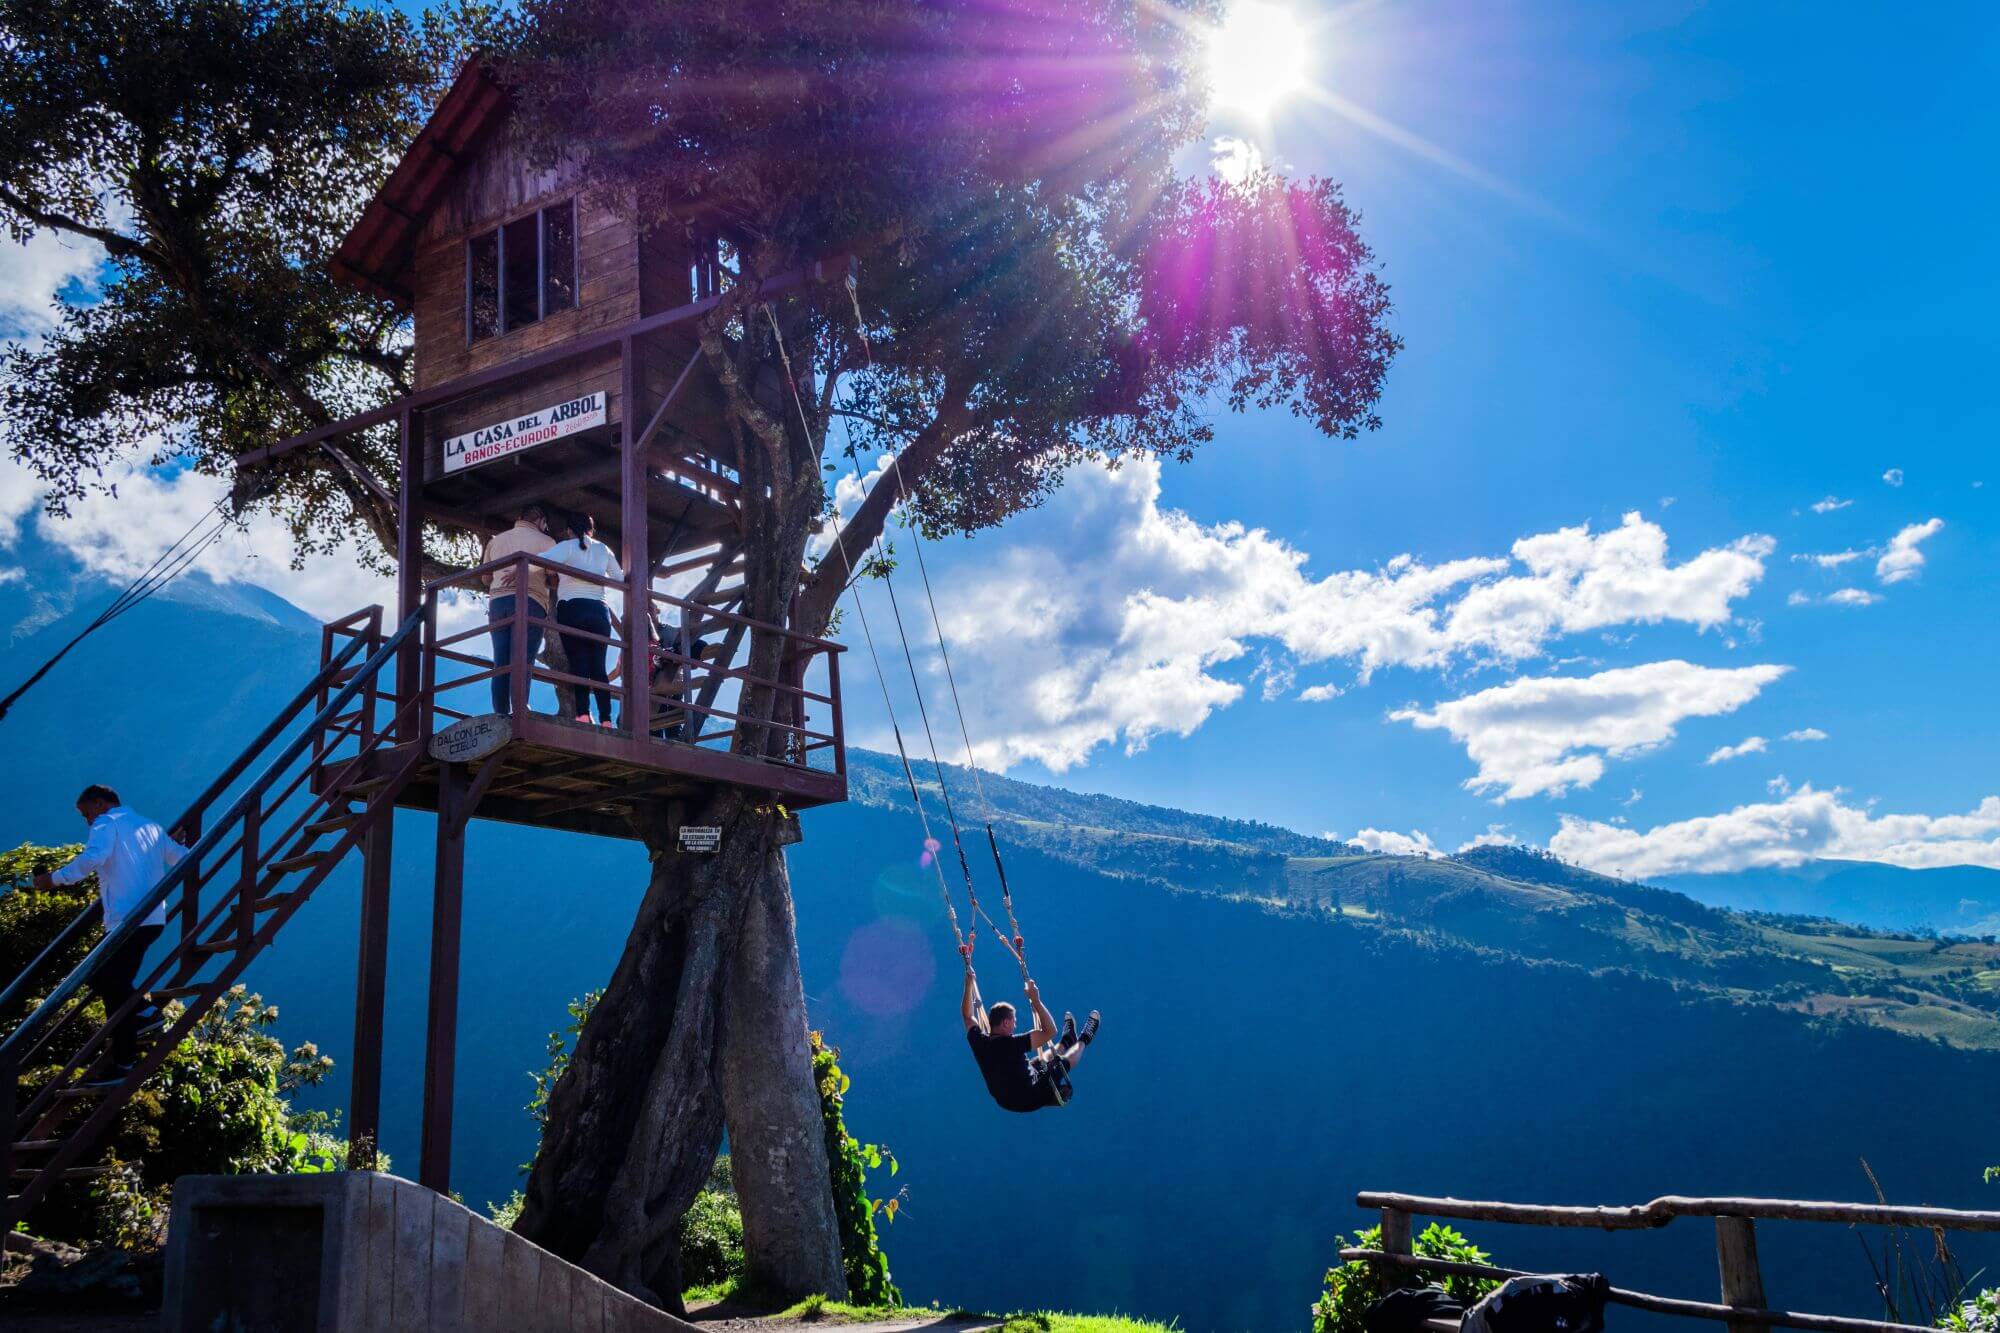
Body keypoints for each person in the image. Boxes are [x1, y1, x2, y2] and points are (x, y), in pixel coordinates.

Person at [31, 785, 186, 1081]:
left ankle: (128, 1054)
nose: (87, 821)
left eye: (86, 813)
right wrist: (168, 843)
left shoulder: (106, 822)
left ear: (100, 804)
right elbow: (182, 857)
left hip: (126, 920)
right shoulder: (150, 826)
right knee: (110, 981)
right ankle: (140, 1021)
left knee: (107, 982)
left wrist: (54, 879)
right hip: (152, 918)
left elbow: (93, 857)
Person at [962, 967, 1098, 1112]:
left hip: (1006, 1098)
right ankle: (1084, 1038)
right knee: (1062, 1065)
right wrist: (1036, 1000)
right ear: (1005, 1023)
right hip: (1029, 1097)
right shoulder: (1011, 1045)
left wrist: (969, 984)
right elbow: (1050, 1031)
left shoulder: (980, 1041)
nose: (1015, 1025)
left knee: (1040, 1061)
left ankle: (1067, 1040)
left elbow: (968, 1016)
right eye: (1013, 1021)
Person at [542, 510, 624, 726]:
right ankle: (606, 718)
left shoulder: (566, 547)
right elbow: (620, 577)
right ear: (591, 529)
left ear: (569, 530)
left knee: (578, 664)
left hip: (572, 608)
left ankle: (583, 715)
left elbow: (536, 561)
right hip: (599, 610)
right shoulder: (603, 549)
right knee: (598, 666)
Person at [483, 504, 556, 715]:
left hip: (498, 602)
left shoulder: (496, 540)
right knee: (523, 658)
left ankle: (500, 712)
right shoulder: (547, 542)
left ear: (519, 518)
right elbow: (552, 575)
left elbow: (485, 577)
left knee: (501, 660)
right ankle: (520, 708)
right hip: (530, 601)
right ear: (541, 521)